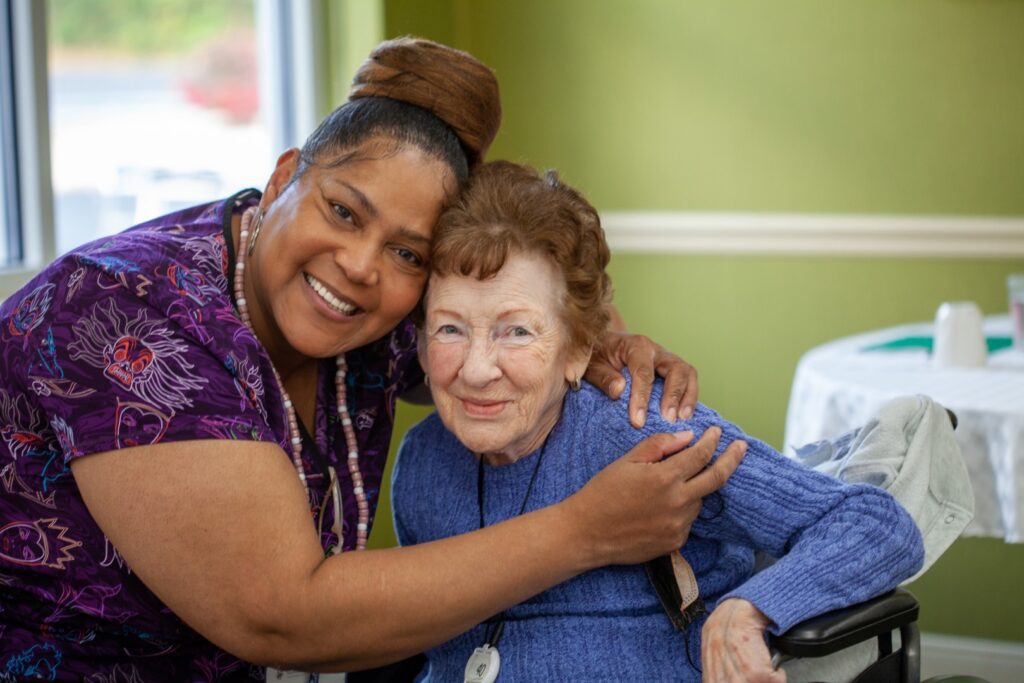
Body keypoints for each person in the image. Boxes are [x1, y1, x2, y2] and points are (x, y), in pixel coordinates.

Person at [0, 38, 746, 681]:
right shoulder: (119, 311)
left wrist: (608, 340)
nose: (360, 265)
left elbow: (531, 299)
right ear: (285, 175)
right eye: (344, 211)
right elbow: (280, 614)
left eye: (405, 251)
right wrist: (586, 530)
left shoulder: (389, 310)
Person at [392, 160, 926, 682]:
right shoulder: (421, 463)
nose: (478, 370)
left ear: (580, 349)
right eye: (450, 330)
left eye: (517, 332)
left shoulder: (640, 433)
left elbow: (876, 526)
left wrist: (749, 610)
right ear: (418, 340)